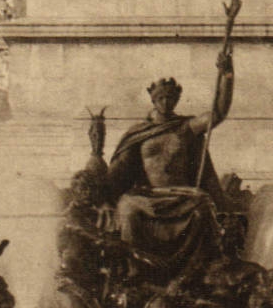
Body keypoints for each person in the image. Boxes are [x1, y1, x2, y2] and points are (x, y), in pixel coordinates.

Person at [101, 50, 235, 286]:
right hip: (148, 195)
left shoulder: (185, 127)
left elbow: (218, 113)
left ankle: (201, 269)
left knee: (204, 205)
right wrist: (104, 196)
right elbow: (119, 170)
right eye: (161, 98)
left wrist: (227, 74)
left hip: (181, 194)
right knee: (127, 208)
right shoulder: (138, 133)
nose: (166, 102)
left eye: (171, 98)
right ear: (153, 99)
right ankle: (134, 270)